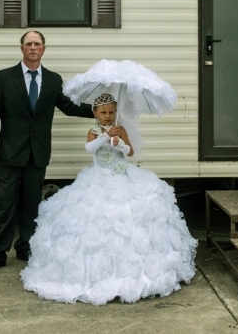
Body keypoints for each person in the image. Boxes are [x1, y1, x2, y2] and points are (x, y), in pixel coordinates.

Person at [20, 93, 198, 305]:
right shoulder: (93, 131)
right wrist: (105, 138)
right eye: (103, 112)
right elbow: (89, 149)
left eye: (111, 112)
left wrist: (119, 143)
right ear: (95, 113)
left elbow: (130, 152)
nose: (107, 116)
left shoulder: (120, 129)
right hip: (99, 177)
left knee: (128, 215)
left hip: (121, 174)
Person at [0, 30, 95, 274]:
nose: (33, 47)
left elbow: (68, 107)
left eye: (37, 44)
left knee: (30, 205)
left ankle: (25, 248)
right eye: (28, 44)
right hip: (8, 152)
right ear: (22, 49)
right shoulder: (5, 77)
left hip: (37, 153)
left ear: (44, 49)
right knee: (5, 204)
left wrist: (100, 109)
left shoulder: (52, 79)